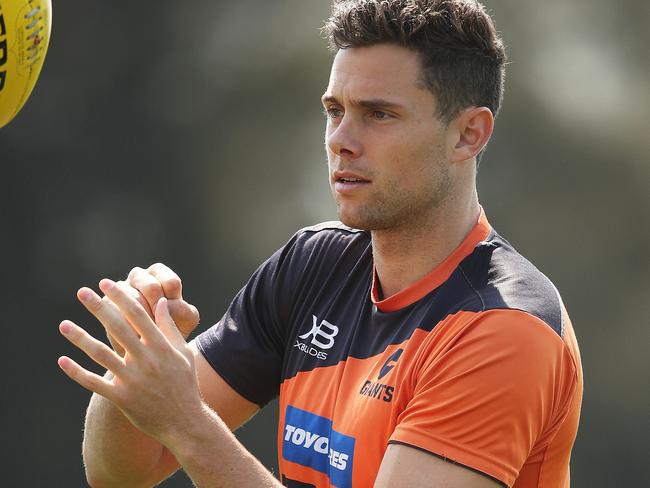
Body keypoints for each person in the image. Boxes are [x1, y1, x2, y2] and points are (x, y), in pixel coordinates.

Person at [58, 1, 583, 487]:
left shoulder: (505, 327)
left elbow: (182, 426)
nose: (340, 139)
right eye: (335, 110)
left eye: (379, 114)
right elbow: (121, 472)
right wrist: (140, 355)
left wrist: (189, 424)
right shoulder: (312, 267)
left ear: (469, 134)